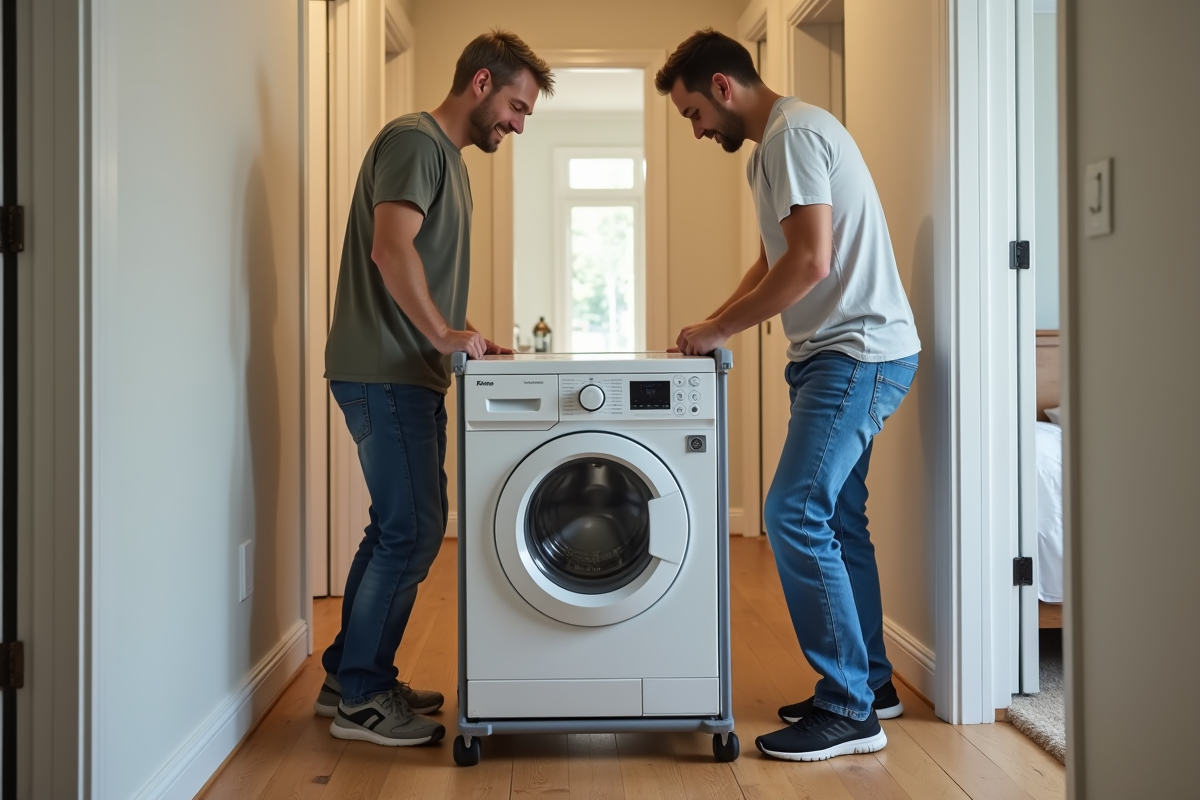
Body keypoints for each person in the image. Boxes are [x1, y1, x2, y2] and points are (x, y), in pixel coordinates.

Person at [656, 29, 921, 762]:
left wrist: (722, 329)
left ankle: (848, 708)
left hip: (854, 353)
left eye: (692, 113)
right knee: (836, 516)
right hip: (844, 353)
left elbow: (810, 262)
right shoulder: (775, 146)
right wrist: (711, 324)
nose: (697, 130)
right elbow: (775, 257)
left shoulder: (792, 137)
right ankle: (870, 683)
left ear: (722, 86)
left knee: (793, 513)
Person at [317, 30, 554, 748]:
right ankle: (363, 696)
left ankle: (348, 679)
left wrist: (462, 330)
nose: (518, 124)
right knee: (414, 531)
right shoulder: (417, 143)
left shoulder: (446, 158)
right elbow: (389, 249)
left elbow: (418, 267)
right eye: (516, 106)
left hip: (401, 370)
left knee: (396, 528)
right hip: (384, 371)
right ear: (480, 83)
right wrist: (442, 334)